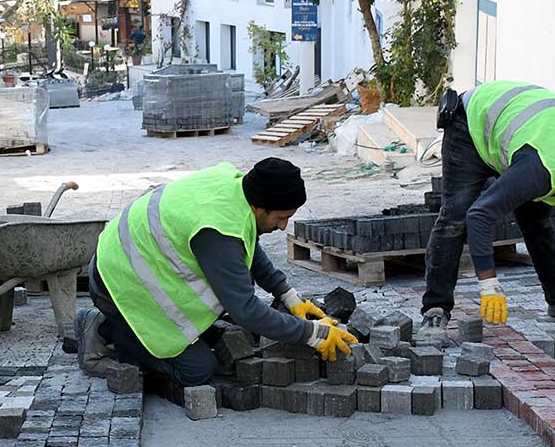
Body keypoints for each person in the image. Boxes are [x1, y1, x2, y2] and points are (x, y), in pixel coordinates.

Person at [76, 158, 357, 386]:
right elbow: (245, 310)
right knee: (198, 370)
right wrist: (311, 333)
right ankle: (106, 329)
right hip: (117, 285)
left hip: (131, 263)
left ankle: (123, 327)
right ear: (259, 207)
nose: (284, 227)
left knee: (231, 298)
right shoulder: (217, 232)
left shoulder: (236, 190)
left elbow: (246, 241)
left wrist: (286, 293)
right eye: (280, 218)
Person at [421, 81, 555, 335]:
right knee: (456, 217)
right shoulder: (540, 168)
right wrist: (488, 284)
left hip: (527, 133)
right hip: (472, 124)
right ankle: (436, 308)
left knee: (537, 220)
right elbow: (480, 216)